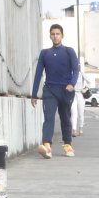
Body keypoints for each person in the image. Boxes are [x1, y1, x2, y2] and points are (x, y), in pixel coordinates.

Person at [30, 24, 80, 158]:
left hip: (65, 90)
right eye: (53, 34)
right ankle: (47, 146)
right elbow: (38, 74)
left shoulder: (69, 51)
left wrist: (72, 84)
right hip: (50, 90)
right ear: (49, 36)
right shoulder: (45, 53)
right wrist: (34, 94)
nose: (55, 36)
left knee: (65, 117)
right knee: (49, 118)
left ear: (62, 36)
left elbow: (76, 69)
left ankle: (68, 145)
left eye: (58, 33)